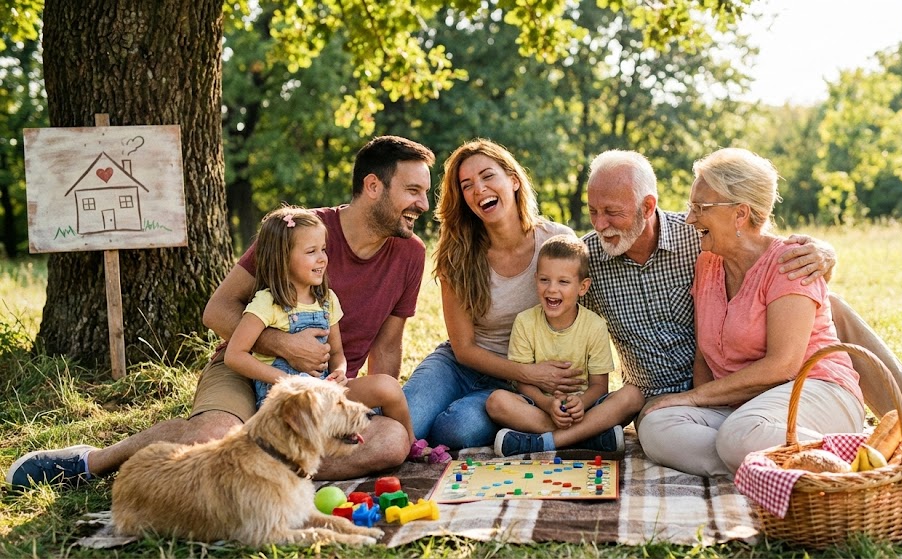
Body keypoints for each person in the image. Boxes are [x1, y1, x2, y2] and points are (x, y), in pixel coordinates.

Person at [8, 135, 437, 488]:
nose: (423, 203)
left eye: (425, 192)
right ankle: (93, 462)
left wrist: (361, 401)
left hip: (318, 391)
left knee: (389, 442)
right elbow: (217, 309)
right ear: (373, 186)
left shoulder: (411, 255)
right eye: (413, 190)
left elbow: (388, 345)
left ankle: (252, 468)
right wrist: (282, 343)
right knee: (214, 435)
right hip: (247, 366)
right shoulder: (302, 232)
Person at [579, 149, 902, 469]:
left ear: (648, 207)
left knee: (830, 307)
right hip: (694, 400)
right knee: (665, 435)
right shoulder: (601, 259)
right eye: (593, 211)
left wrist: (823, 254)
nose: (600, 224)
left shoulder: (699, 242)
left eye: (611, 212)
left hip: (779, 386)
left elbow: (773, 261)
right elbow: (545, 287)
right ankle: (779, 463)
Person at [402, 138, 645, 452]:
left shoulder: (556, 241)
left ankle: (548, 434)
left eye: (488, 176)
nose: (479, 189)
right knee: (405, 422)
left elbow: (577, 319)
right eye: (467, 185)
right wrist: (530, 373)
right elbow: (463, 348)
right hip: (461, 366)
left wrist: (549, 385)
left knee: (454, 431)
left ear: (513, 180)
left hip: (517, 384)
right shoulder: (458, 253)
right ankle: (587, 434)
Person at [637, 147, 864, 474]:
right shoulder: (708, 263)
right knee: (656, 425)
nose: (690, 218)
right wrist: (698, 401)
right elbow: (704, 355)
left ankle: (855, 464)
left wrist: (694, 398)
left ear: (740, 214)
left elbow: (783, 365)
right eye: (691, 207)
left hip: (817, 391)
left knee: (738, 436)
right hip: (746, 410)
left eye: (701, 207)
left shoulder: (791, 261)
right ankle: (764, 467)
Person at [223, 205, 417, 448]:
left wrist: (339, 372)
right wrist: (286, 381)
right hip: (289, 401)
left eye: (323, 249)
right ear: (283, 257)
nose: (322, 258)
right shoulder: (267, 302)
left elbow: (337, 354)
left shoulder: (327, 300)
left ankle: (412, 446)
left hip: (326, 391)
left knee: (388, 387)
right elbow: (235, 356)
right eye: (311, 251)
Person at [486, 234, 621, 456]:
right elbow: (523, 382)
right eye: (544, 280)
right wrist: (547, 405)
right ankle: (589, 437)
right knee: (496, 402)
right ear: (535, 279)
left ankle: (543, 442)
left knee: (632, 397)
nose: (552, 289)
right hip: (539, 408)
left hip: (585, 409)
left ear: (583, 286)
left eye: (563, 282)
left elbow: (599, 386)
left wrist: (581, 403)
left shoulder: (594, 325)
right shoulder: (525, 322)